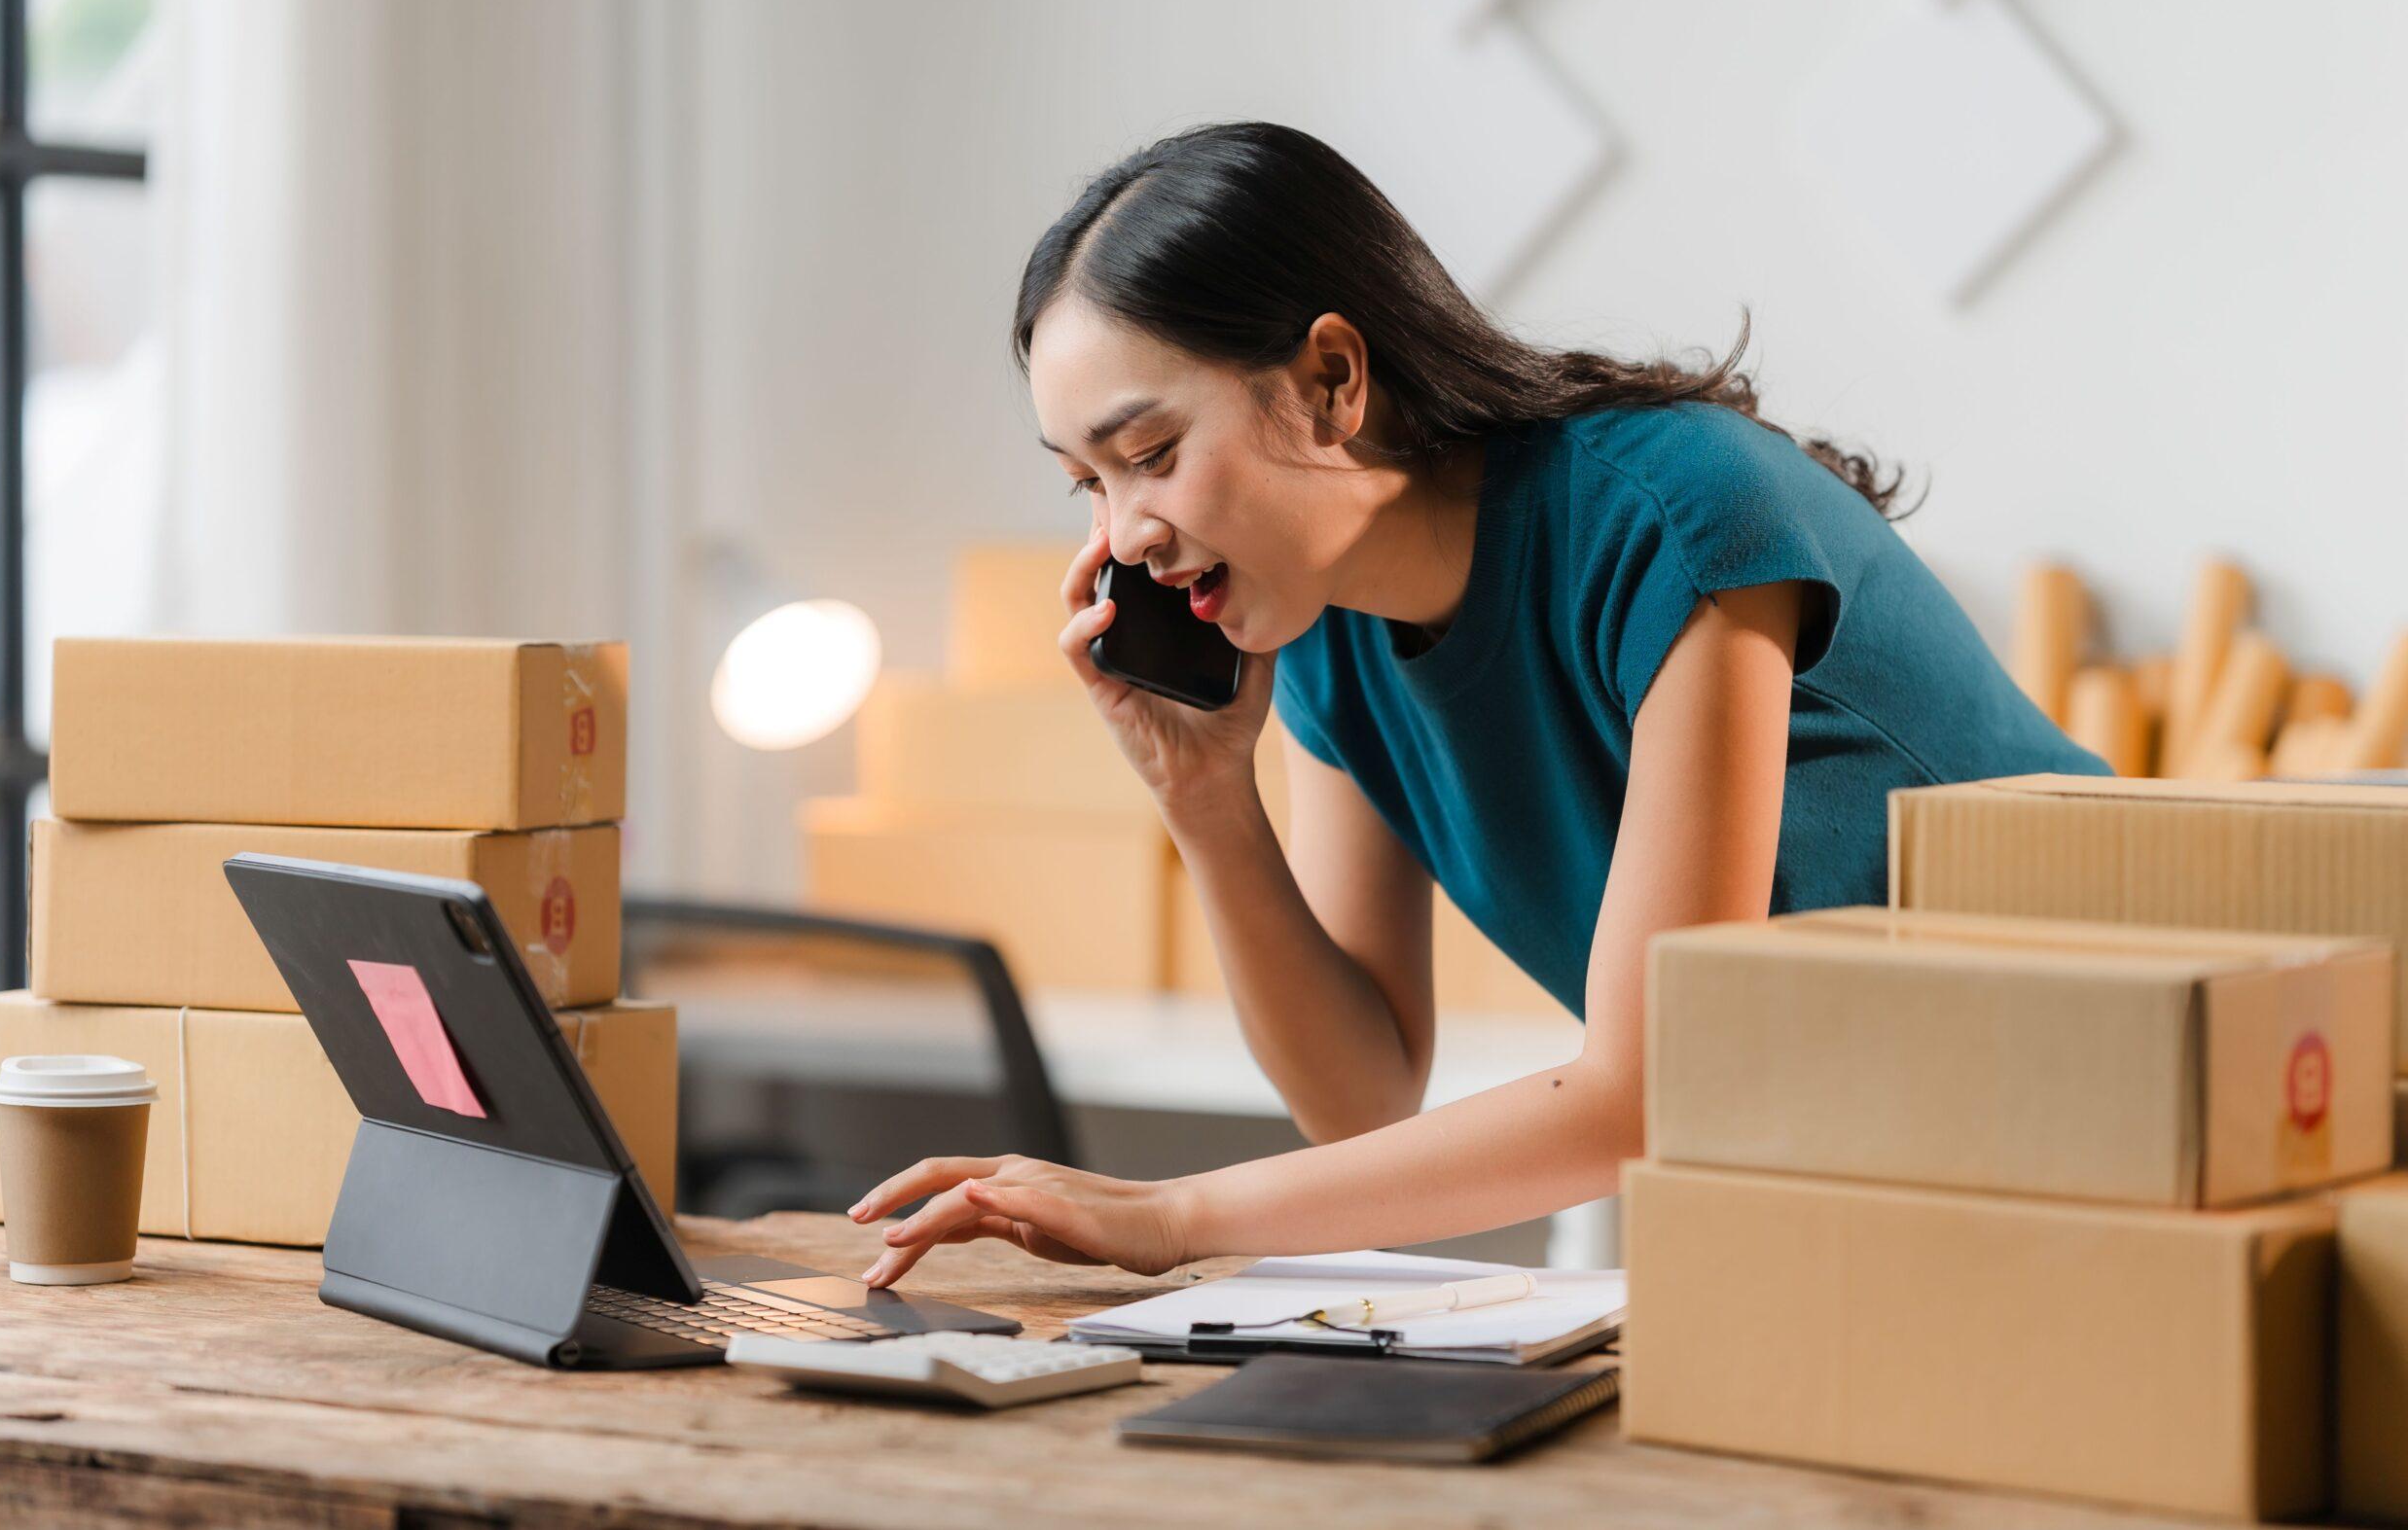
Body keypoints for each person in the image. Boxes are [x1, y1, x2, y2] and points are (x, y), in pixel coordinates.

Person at [848, 121, 2108, 1288]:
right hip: (1847, 1146)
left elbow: (1643, 1087)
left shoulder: (1681, 514)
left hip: (2097, 1091)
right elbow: (1364, 1098)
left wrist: (1171, 1219)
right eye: (1085, 484)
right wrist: (1205, 799)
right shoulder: (1322, 625)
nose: (1126, 539)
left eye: (1152, 456)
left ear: (1333, 381)